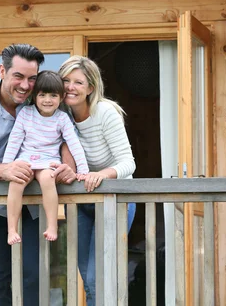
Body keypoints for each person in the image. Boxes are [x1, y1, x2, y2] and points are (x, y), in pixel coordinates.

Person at [0, 43, 75, 305]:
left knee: (33, 274)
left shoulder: (45, 100)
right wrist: (4, 169)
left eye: (31, 78)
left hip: (34, 202)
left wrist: (69, 166)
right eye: (18, 77)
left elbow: (67, 137)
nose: (25, 85)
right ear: (2, 71)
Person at [55, 55, 137, 306]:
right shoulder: (60, 115)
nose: (71, 87)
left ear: (91, 87)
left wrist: (101, 174)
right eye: (66, 80)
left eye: (78, 82)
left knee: (96, 278)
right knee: (88, 279)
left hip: (114, 200)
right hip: (82, 202)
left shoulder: (105, 112)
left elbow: (128, 162)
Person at [3, 70, 89, 244]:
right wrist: (6, 167)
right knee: (16, 183)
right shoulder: (26, 114)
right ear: (35, 96)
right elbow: (14, 141)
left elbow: (74, 145)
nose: (47, 100)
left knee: (49, 179)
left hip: (47, 162)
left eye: (53, 95)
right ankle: (12, 229)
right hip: (25, 160)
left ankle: (52, 225)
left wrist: (84, 170)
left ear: (62, 97)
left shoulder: (62, 118)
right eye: (42, 95)